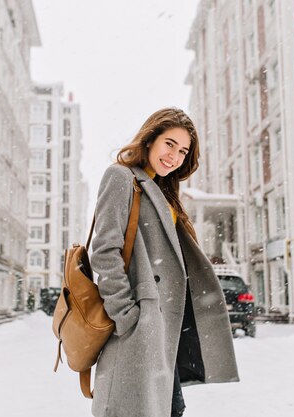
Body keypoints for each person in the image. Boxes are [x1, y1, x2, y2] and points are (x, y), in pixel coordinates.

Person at [90, 108, 239, 417]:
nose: (174, 156)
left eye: (183, 151)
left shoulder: (162, 189)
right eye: (169, 144)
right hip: (142, 329)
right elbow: (105, 251)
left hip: (165, 332)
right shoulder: (122, 177)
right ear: (149, 140)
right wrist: (128, 317)